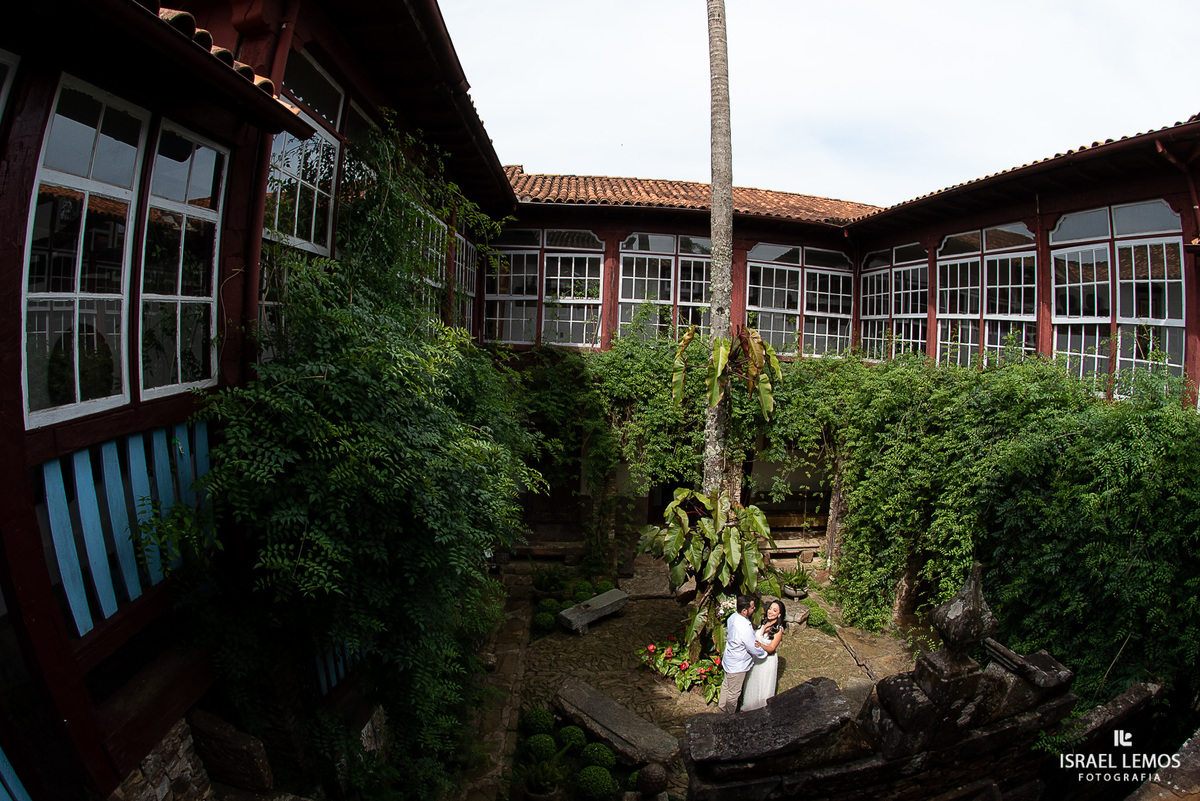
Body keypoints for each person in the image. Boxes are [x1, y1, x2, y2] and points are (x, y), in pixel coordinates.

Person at [717, 595, 767, 713]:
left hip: (729, 659)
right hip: (737, 665)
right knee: (733, 694)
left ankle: (721, 711)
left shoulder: (732, 617)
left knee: (726, 686)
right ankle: (729, 716)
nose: (754, 609)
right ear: (744, 611)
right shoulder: (744, 627)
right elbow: (752, 646)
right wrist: (763, 653)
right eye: (752, 607)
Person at [741, 598, 786, 711]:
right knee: (752, 682)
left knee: (762, 684)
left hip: (767, 661)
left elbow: (771, 648)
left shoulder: (778, 629)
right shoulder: (764, 622)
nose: (770, 612)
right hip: (756, 658)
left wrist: (760, 645)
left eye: (774, 610)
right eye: (770, 608)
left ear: (779, 614)